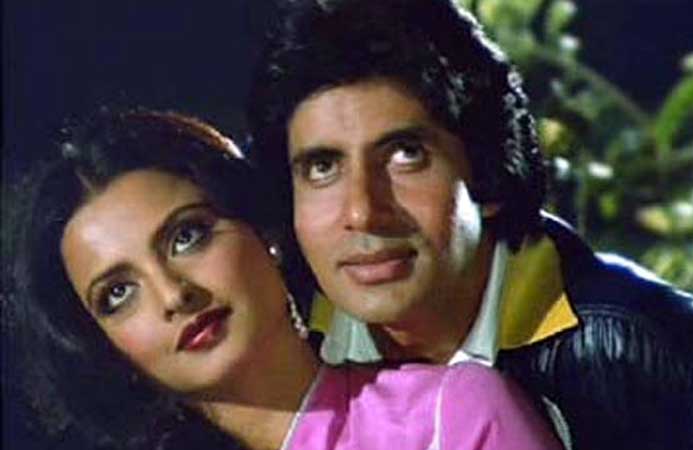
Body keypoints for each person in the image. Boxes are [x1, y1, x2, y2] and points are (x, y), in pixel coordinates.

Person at [244, 0, 693, 449]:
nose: (361, 211)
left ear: (486, 173)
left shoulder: (664, 359)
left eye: (406, 155)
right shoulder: (280, 345)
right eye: (322, 167)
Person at [6, 110, 562, 450]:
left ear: (264, 229)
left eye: (186, 236)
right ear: (102, 346)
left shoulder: (451, 418)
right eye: (118, 294)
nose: (174, 295)